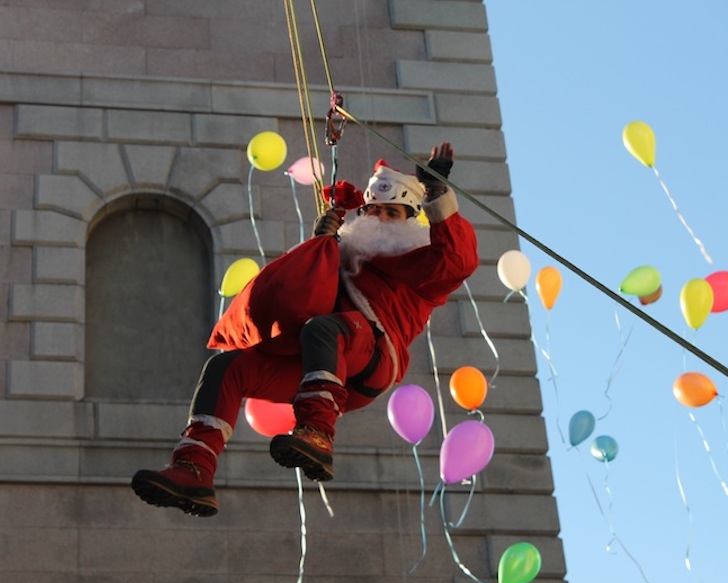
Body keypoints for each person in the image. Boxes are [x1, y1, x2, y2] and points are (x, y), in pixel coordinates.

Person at [131, 142, 479, 517]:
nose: (378, 218)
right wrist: (320, 246)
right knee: (226, 368)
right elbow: (299, 291)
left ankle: (317, 432)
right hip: (322, 358)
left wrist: (437, 192)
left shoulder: (422, 263)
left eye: (391, 212)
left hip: (372, 358)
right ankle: (194, 467)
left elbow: (457, 260)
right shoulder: (344, 256)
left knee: (324, 329)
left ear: (411, 218)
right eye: (373, 210)